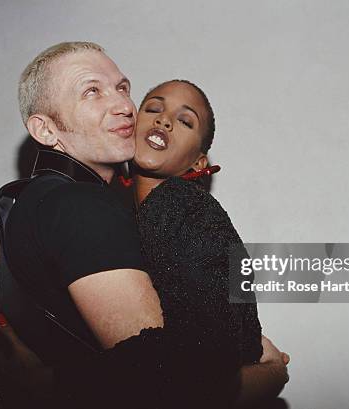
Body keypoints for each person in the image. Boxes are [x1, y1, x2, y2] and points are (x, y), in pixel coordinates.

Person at [0, 41, 288, 408]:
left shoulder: (34, 199)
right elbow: (160, 384)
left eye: (122, 88)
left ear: (200, 160)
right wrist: (270, 373)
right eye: (92, 91)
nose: (122, 105)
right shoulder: (79, 204)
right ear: (46, 129)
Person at [131, 79, 289, 407]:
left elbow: (204, 369)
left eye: (185, 121)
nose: (164, 120)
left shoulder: (176, 203)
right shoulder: (145, 214)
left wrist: (269, 372)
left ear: (199, 163)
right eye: (153, 108)